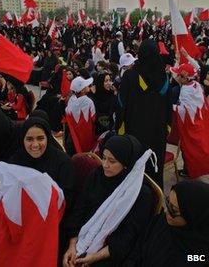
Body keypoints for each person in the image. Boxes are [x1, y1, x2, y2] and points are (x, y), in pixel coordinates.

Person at [63, 135, 155, 267]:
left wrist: (93, 257)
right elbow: (79, 209)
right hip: (82, 236)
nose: (105, 165)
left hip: (112, 249)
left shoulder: (140, 194)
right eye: (104, 158)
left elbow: (128, 236)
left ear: (126, 164)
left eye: (112, 161)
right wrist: (72, 246)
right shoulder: (97, 175)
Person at [116, 39, 172, 188]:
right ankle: (155, 202)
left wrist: (119, 130)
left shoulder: (129, 76)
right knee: (155, 167)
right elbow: (168, 108)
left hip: (134, 134)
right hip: (157, 134)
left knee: (135, 169)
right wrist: (166, 128)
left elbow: (121, 106)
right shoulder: (164, 78)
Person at [123, 180, 209, 267]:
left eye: (174, 210)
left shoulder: (200, 256)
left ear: (193, 215)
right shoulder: (161, 221)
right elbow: (138, 249)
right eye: (168, 203)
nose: (167, 212)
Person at [8, 116, 75, 210]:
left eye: (40, 138)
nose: (35, 145)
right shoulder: (15, 160)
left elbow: (67, 200)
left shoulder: (63, 163)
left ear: (48, 138)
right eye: (29, 139)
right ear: (22, 139)